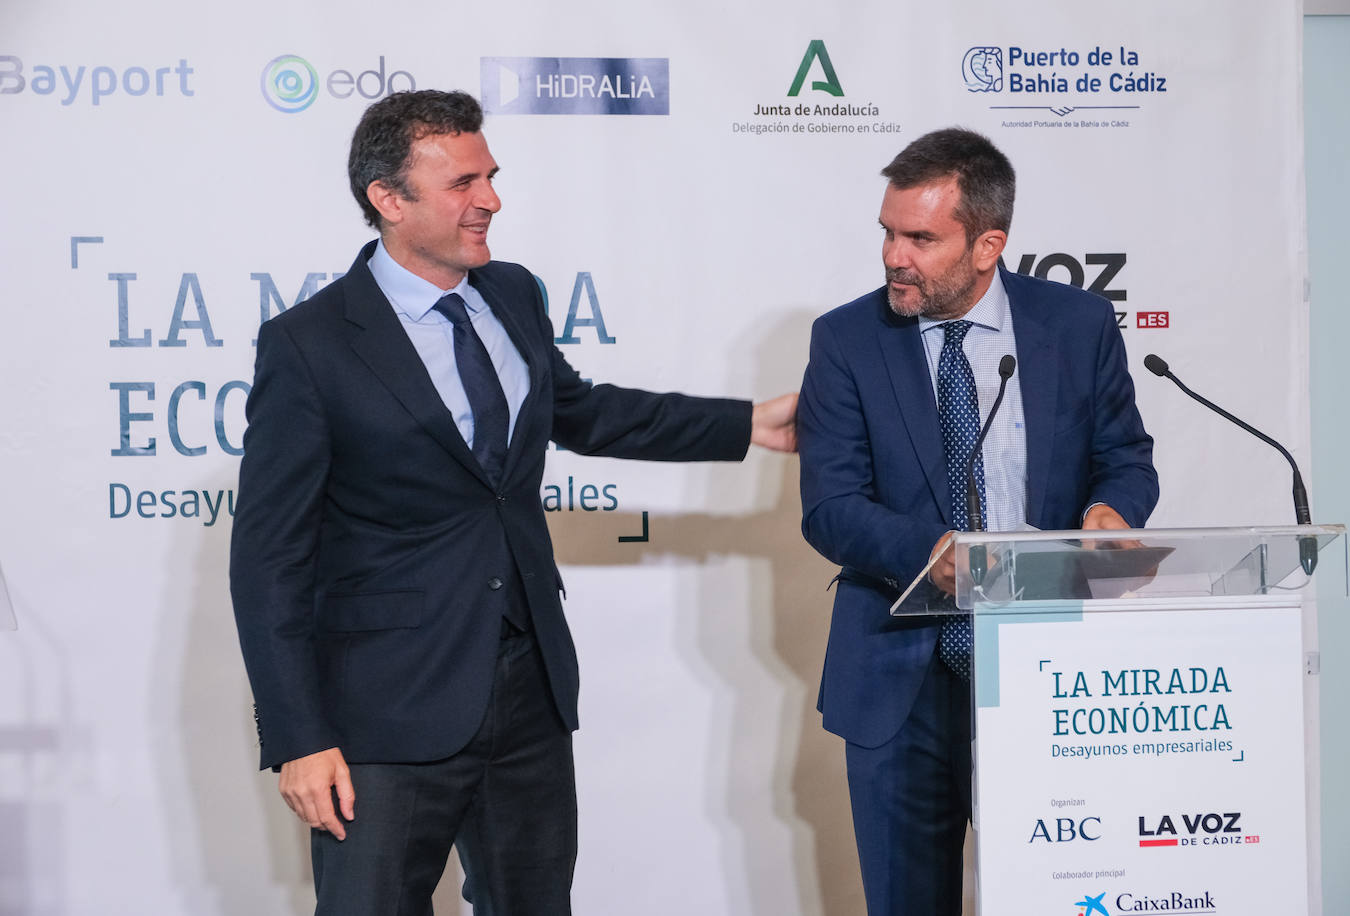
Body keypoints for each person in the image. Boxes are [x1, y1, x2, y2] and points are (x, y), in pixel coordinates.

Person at [228, 88, 796, 916]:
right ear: (388, 199)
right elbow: (268, 559)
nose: (490, 199)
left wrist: (747, 423)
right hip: (384, 712)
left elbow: (581, 410)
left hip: (528, 688)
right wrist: (299, 738)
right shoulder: (308, 344)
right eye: (463, 182)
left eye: (490, 177)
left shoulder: (513, 292)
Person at [796, 128, 1158, 915]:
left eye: (920, 239)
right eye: (888, 233)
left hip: (1052, 673)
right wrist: (929, 551)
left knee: (1064, 897)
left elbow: (1126, 457)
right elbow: (829, 508)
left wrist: (1110, 511)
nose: (894, 256)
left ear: (988, 244)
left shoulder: (1077, 325)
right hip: (901, 680)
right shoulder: (846, 340)